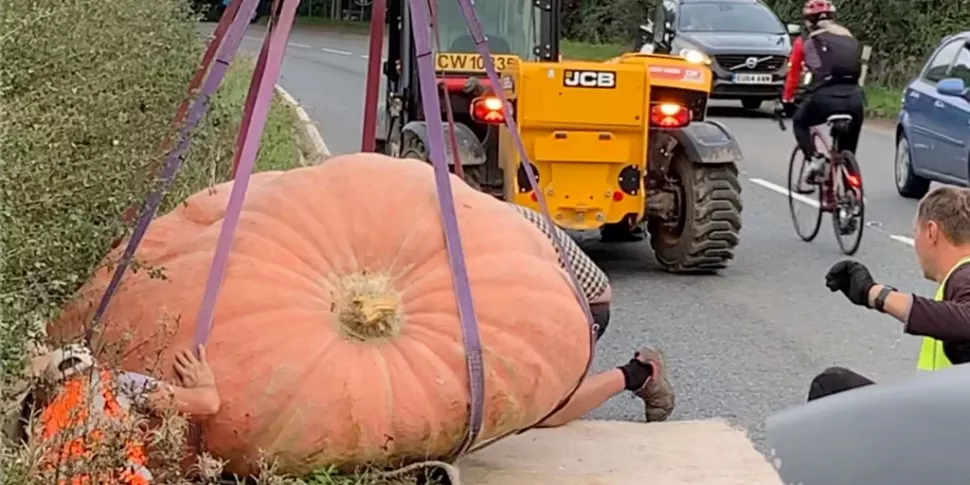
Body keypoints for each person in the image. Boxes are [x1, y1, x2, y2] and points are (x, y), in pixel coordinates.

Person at [509, 203, 676, 424]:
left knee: (539, 412)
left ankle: (640, 373)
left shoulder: (485, 226)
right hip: (532, 306)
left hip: (583, 305)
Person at [808, 186, 970, 401]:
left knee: (830, 386)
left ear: (931, 232)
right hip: (941, 415)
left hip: (945, 426)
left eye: (915, 232)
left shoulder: (965, 275)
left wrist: (875, 294)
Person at [11, 343, 220, 484]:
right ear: (94, 366)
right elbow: (207, 405)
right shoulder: (115, 383)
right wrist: (205, 384)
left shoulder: (42, 423)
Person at [776, 0, 864, 193]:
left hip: (824, 99)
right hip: (855, 99)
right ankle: (851, 197)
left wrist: (787, 101)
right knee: (848, 151)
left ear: (808, 21)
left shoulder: (805, 42)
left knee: (800, 122)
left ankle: (814, 160)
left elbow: (792, 76)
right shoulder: (848, 37)